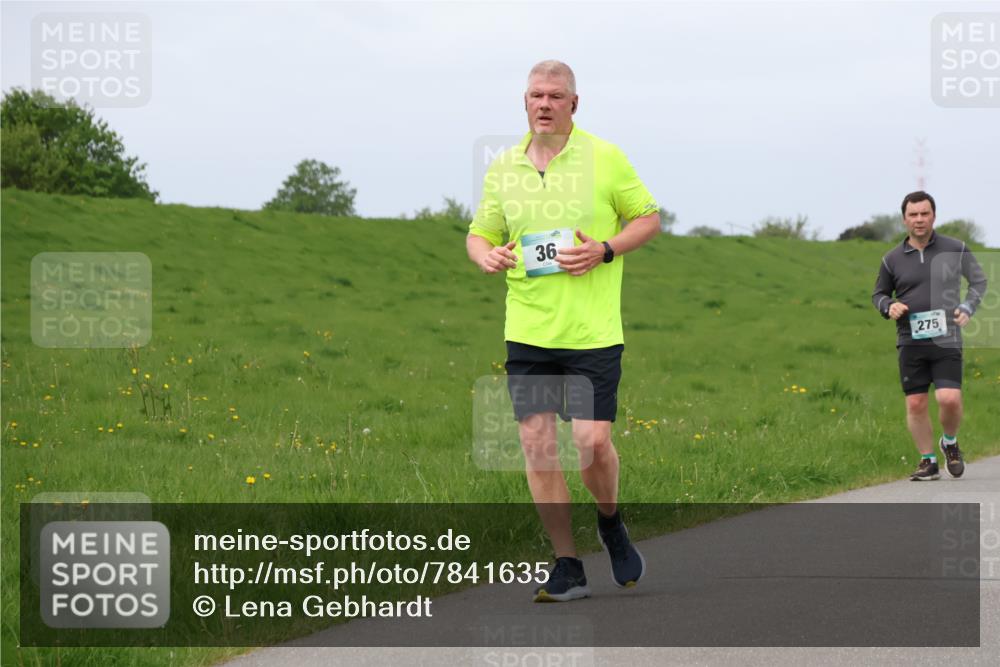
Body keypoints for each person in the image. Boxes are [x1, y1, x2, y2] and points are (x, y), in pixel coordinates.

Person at [467, 60, 660, 602]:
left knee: (591, 442)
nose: (544, 103)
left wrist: (603, 249)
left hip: (593, 331)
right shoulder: (504, 167)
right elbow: (480, 233)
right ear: (524, 103)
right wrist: (487, 255)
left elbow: (647, 218)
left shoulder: (605, 157)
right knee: (535, 444)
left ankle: (610, 518)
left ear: (575, 104)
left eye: (555, 95)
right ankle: (567, 564)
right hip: (528, 328)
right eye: (535, 95)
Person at [872, 191, 987, 481]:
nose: (919, 219)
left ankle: (949, 441)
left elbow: (978, 281)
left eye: (925, 213)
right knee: (916, 403)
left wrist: (968, 306)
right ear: (904, 219)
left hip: (946, 337)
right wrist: (889, 306)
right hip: (910, 340)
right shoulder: (891, 259)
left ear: (934, 215)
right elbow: (879, 294)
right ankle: (928, 461)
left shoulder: (955, 248)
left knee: (948, 398)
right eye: (914, 214)